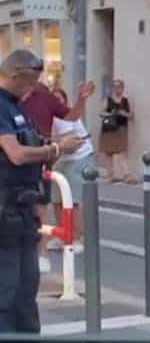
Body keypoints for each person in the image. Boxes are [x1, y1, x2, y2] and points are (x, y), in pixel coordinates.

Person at [0, 50, 83, 333]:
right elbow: (16, 154)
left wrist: (54, 142)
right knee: (7, 290)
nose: (33, 88)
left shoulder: (15, 105)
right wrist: (57, 149)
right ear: (13, 75)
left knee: (26, 288)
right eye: (30, 81)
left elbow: (29, 141)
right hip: (5, 207)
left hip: (22, 208)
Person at [19, 79, 93, 272]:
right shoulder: (9, 98)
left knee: (42, 207)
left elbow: (71, 116)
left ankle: (42, 252)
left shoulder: (44, 97)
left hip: (44, 158)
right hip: (21, 158)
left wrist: (82, 99)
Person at [44, 88, 94, 254]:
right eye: (54, 98)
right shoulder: (46, 116)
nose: (57, 102)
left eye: (60, 99)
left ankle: (76, 238)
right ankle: (62, 234)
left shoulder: (62, 118)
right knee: (57, 198)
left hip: (79, 156)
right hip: (63, 158)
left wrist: (51, 148)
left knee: (72, 199)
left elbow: (70, 146)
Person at [98, 79, 133, 184]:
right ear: (112, 88)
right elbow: (100, 112)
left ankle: (126, 174)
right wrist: (110, 114)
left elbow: (131, 115)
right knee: (109, 152)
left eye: (119, 86)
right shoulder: (108, 100)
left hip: (121, 128)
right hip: (109, 129)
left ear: (123, 88)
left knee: (123, 151)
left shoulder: (125, 101)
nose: (117, 89)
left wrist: (124, 113)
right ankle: (111, 175)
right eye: (115, 86)